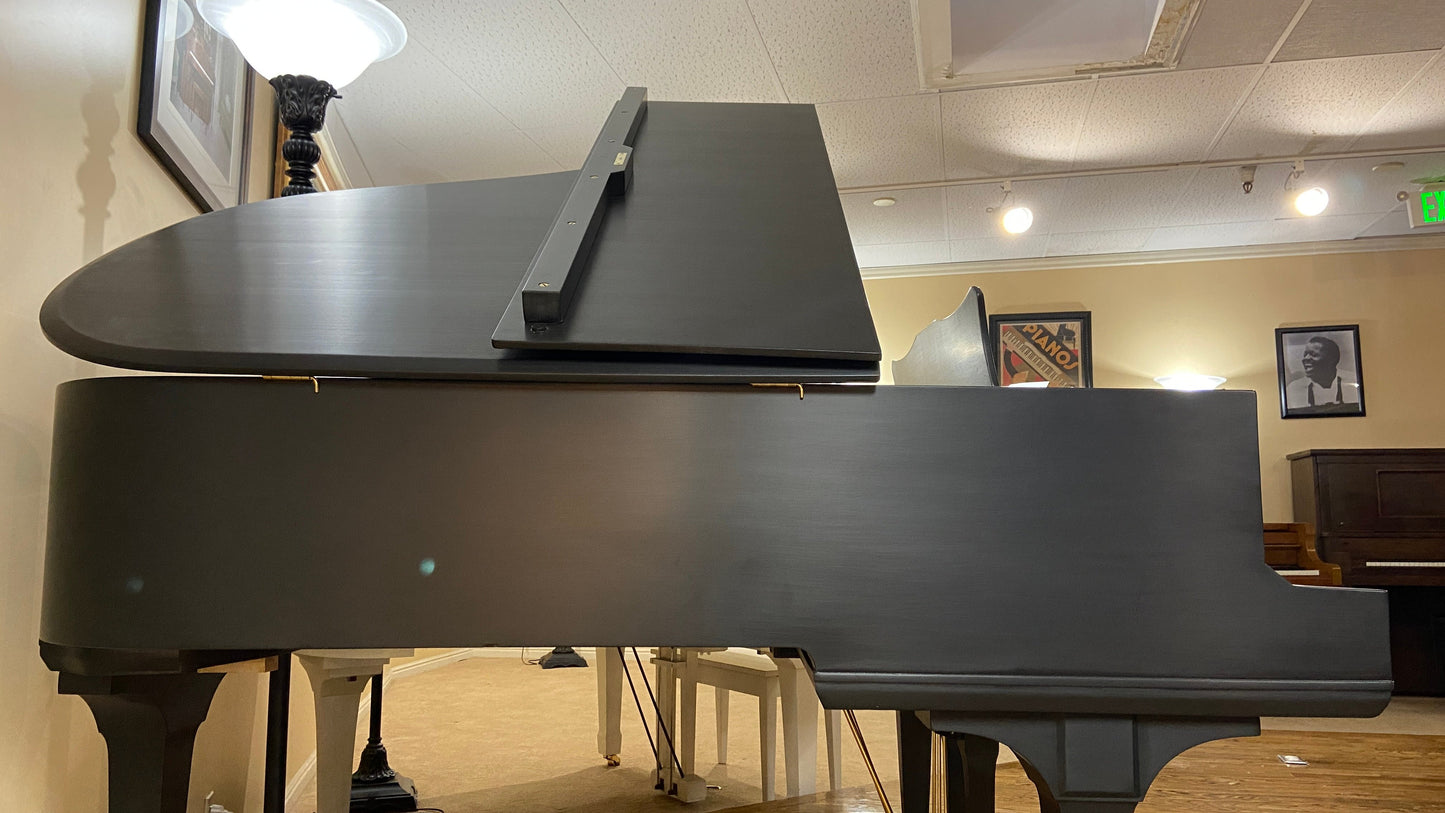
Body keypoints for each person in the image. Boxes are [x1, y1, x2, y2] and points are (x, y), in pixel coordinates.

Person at [1286, 335, 1359, 412]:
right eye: (1305, 355)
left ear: (1332, 359)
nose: (1305, 359)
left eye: (1313, 355)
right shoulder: (1294, 389)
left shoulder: (1354, 382)